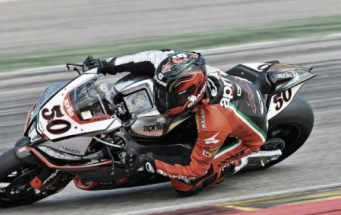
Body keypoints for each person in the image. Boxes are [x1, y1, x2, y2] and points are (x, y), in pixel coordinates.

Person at [84, 50, 267, 196]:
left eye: (170, 97)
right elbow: (144, 57)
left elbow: (193, 170)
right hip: (236, 92)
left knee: (185, 184)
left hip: (247, 138)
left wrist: (147, 163)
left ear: (192, 95)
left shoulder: (213, 123)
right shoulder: (170, 64)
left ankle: (233, 165)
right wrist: (104, 65)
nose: (163, 99)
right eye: (161, 92)